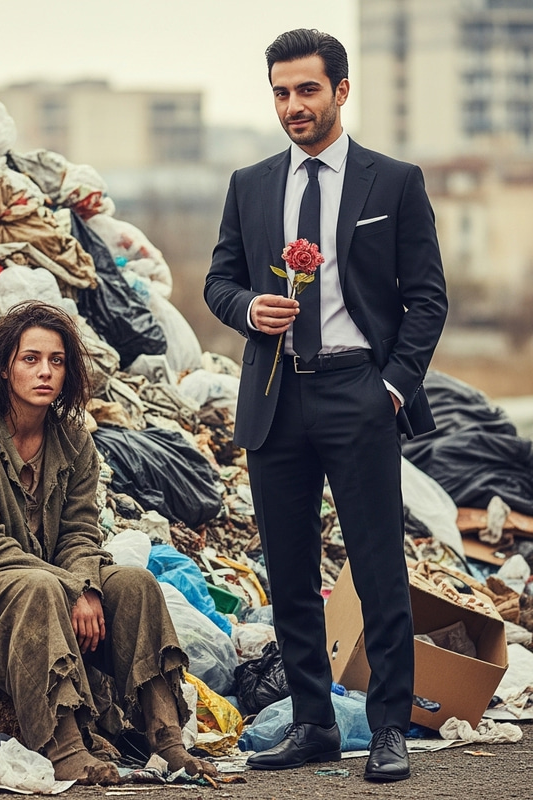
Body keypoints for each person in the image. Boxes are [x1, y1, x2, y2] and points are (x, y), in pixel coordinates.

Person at [204, 28, 448, 783]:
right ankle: (311, 722)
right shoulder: (250, 183)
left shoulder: (394, 182)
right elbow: (218, 281)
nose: (292, 106)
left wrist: (391, 386)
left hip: (358, 391)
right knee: (288, 567)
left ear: (341, 91)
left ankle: (388, 728)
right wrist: (250, 310)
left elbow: (427, 300)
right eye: (281, 92)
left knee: (377, 565)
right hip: (276, 392)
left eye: (307, 90)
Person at [0, 301, 216, 785]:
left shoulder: (73, 439)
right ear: (5, 368)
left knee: (135, 584)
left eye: (57, 361)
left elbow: (80, 533)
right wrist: (71, 588)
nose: (45, 371)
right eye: (30, 359)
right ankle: (64, 745)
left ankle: (166, 740)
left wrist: (86, 584)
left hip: (42, 581)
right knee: (40, 590)